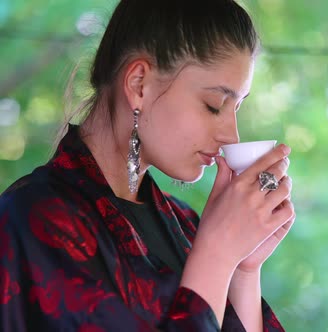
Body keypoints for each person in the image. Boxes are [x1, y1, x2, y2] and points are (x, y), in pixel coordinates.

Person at [0, 0, 295, 331]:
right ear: (139, 84)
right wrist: (217, 254)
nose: (231, 135)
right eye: (214, 106)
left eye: (236, 108)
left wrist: (243, 267)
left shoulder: (186, 224)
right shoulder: (35, 218)